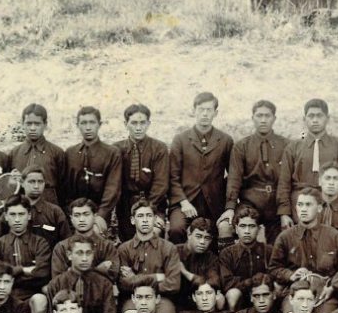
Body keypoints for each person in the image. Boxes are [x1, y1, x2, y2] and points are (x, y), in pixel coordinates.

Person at [168, 92, 234, 243]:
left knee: (217, 233)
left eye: (209, 110)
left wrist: (229, 205)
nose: (204, 114)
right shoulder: (180, 140)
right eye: (201, 109)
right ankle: (178, 266)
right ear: (193, 111)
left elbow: (233, 176)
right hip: (185, 201)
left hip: (214, 203)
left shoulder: (225, 140)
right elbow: (173, 176)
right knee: (176, 229)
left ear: (215, 113)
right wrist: (183, 202)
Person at [225, 99, 289, 245]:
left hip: (276, 202)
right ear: (252, 118)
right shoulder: (242, 146)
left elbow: (287, 180)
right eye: (259, 116)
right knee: (243, 229)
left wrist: (285, 211)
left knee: (280, 241)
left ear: (274, 118)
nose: (263, 120)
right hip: (250, 202)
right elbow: (234, 179)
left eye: (267, 116)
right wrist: (230, 207)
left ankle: (275, 266)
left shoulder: (286, 145)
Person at [268, 192, 338, 313]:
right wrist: (290, 275)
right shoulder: (285, 237)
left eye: (308, 205)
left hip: (325, 295)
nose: (303, 209)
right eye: (300, 205)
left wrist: (332, 287)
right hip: (294, 292)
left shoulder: (333, 236)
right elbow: (273, 268)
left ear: (319, 208)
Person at [0, 197, 52, 313]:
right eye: (13, 215)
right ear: (6, 216)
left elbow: (42, 272)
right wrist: (23, 270)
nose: (17, 219)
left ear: (29, 215)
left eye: (21, 214)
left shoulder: (40, 243)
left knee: (40, 300)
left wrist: (5, 271)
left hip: (30, 294)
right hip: (2, 293)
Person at [276, 98, 338, 213]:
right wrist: (284, 212)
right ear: (304, 119)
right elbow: (284, 183)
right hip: (300, 202)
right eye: (311, 116)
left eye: (319, 116)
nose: (315, 120)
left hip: (331, 201)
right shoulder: (293, 147)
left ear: (327, 118)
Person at [112, 102, 169, 241]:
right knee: (129, 244)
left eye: (142, 123)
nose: (138, 128)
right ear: (125, 124)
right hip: (126, 206)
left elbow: (161, 184)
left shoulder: (159, 148)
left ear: (148, 124)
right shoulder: (116, 149)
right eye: (134, 123)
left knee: (151, 236)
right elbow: (113, 183)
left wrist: (148, 209)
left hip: (153, 204)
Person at [117, 200, 181, 313]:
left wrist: (136, 279)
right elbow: (123, 284)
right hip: (134, 299)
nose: (145, 220)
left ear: (155, 219)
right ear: (132, 220)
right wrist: (156, 278)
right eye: (140, 216)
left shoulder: (168, 248)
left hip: (160, 298)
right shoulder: (124, 249)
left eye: (149, 215)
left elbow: (174, 284)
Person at [62, 106, 121, 233]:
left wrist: (101, 215)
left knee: (93, 235)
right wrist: (72, 215)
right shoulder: (70, 153)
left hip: (99, 213)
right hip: (74, 214)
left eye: (92, 122)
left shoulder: (111, 153)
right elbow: (66, 189)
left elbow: (113, 188)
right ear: (77, 125)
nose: (88, 127)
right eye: (83, 123)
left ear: (99, 124)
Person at [45, 237, 119, 313]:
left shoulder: (104, 285)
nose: (84, 258)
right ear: (69, 255)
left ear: (93, 254)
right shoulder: (56, 284)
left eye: (88, 253)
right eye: (79, 253)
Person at [7, 103, 66, 207]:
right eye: (29, 124)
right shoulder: (14, 153)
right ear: (22, 124)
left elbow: (64, 186)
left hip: (49, 206)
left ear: (45, 124)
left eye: (37, 124)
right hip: (21, 210)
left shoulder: (57, 152)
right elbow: (8, 187)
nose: (32, 128)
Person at [216, 205, 272, 311]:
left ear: (259, 229)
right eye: (242, 226)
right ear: (236, 229)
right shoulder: (227, 253)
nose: (247, 231)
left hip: (262, 293)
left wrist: (261, 285)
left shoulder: (268, 251)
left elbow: (274, 274)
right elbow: (227, 282)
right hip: (241, 295)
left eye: (251, 226)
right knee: (232, 294)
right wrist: (250, 283)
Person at [51, 196, 119, 280]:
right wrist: (98, 269)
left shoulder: (107, 246)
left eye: (86, 214)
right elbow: (58, 280)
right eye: (77, 215)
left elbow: (113, 275)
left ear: (94, 216)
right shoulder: (61, 247)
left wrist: (71, 271)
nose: (81, 219)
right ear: (71, 219)